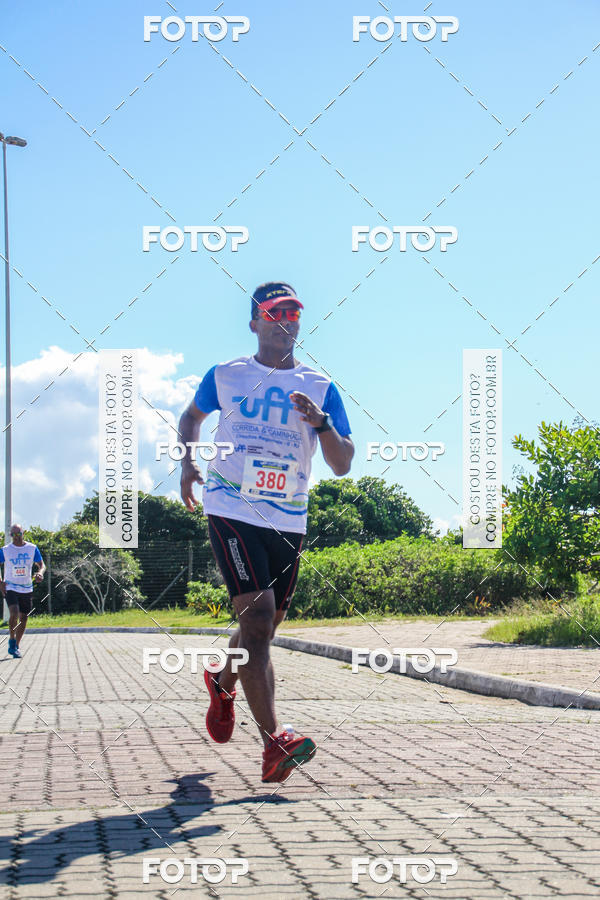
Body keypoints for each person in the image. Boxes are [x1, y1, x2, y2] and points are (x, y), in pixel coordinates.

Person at [178, 282, 354, 783]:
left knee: (265, 626)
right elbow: (191, 418)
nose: (288, 319)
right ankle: (275, 740)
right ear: (255, 322)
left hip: (287, 517)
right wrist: (188, 465)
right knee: (256, 621)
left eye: (295, 310)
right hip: (231, 505)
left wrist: (321, 424)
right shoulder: (228, 375)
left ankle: (222, 678)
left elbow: (342, 464)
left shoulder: (320, 387)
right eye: (277, 312)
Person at [0, 524, 45, 658]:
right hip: (11, 586)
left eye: (18, 534)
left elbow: (41, 564)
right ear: (10, 536)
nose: (16, 537)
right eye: (13, 535)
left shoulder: (32, 548)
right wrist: (0, 581)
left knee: (24, 617)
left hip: (26, 587)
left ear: (23, 533)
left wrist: (40, 573)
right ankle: (12, 640)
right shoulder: (6, 550)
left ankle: (16, 647)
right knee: (13, 612)